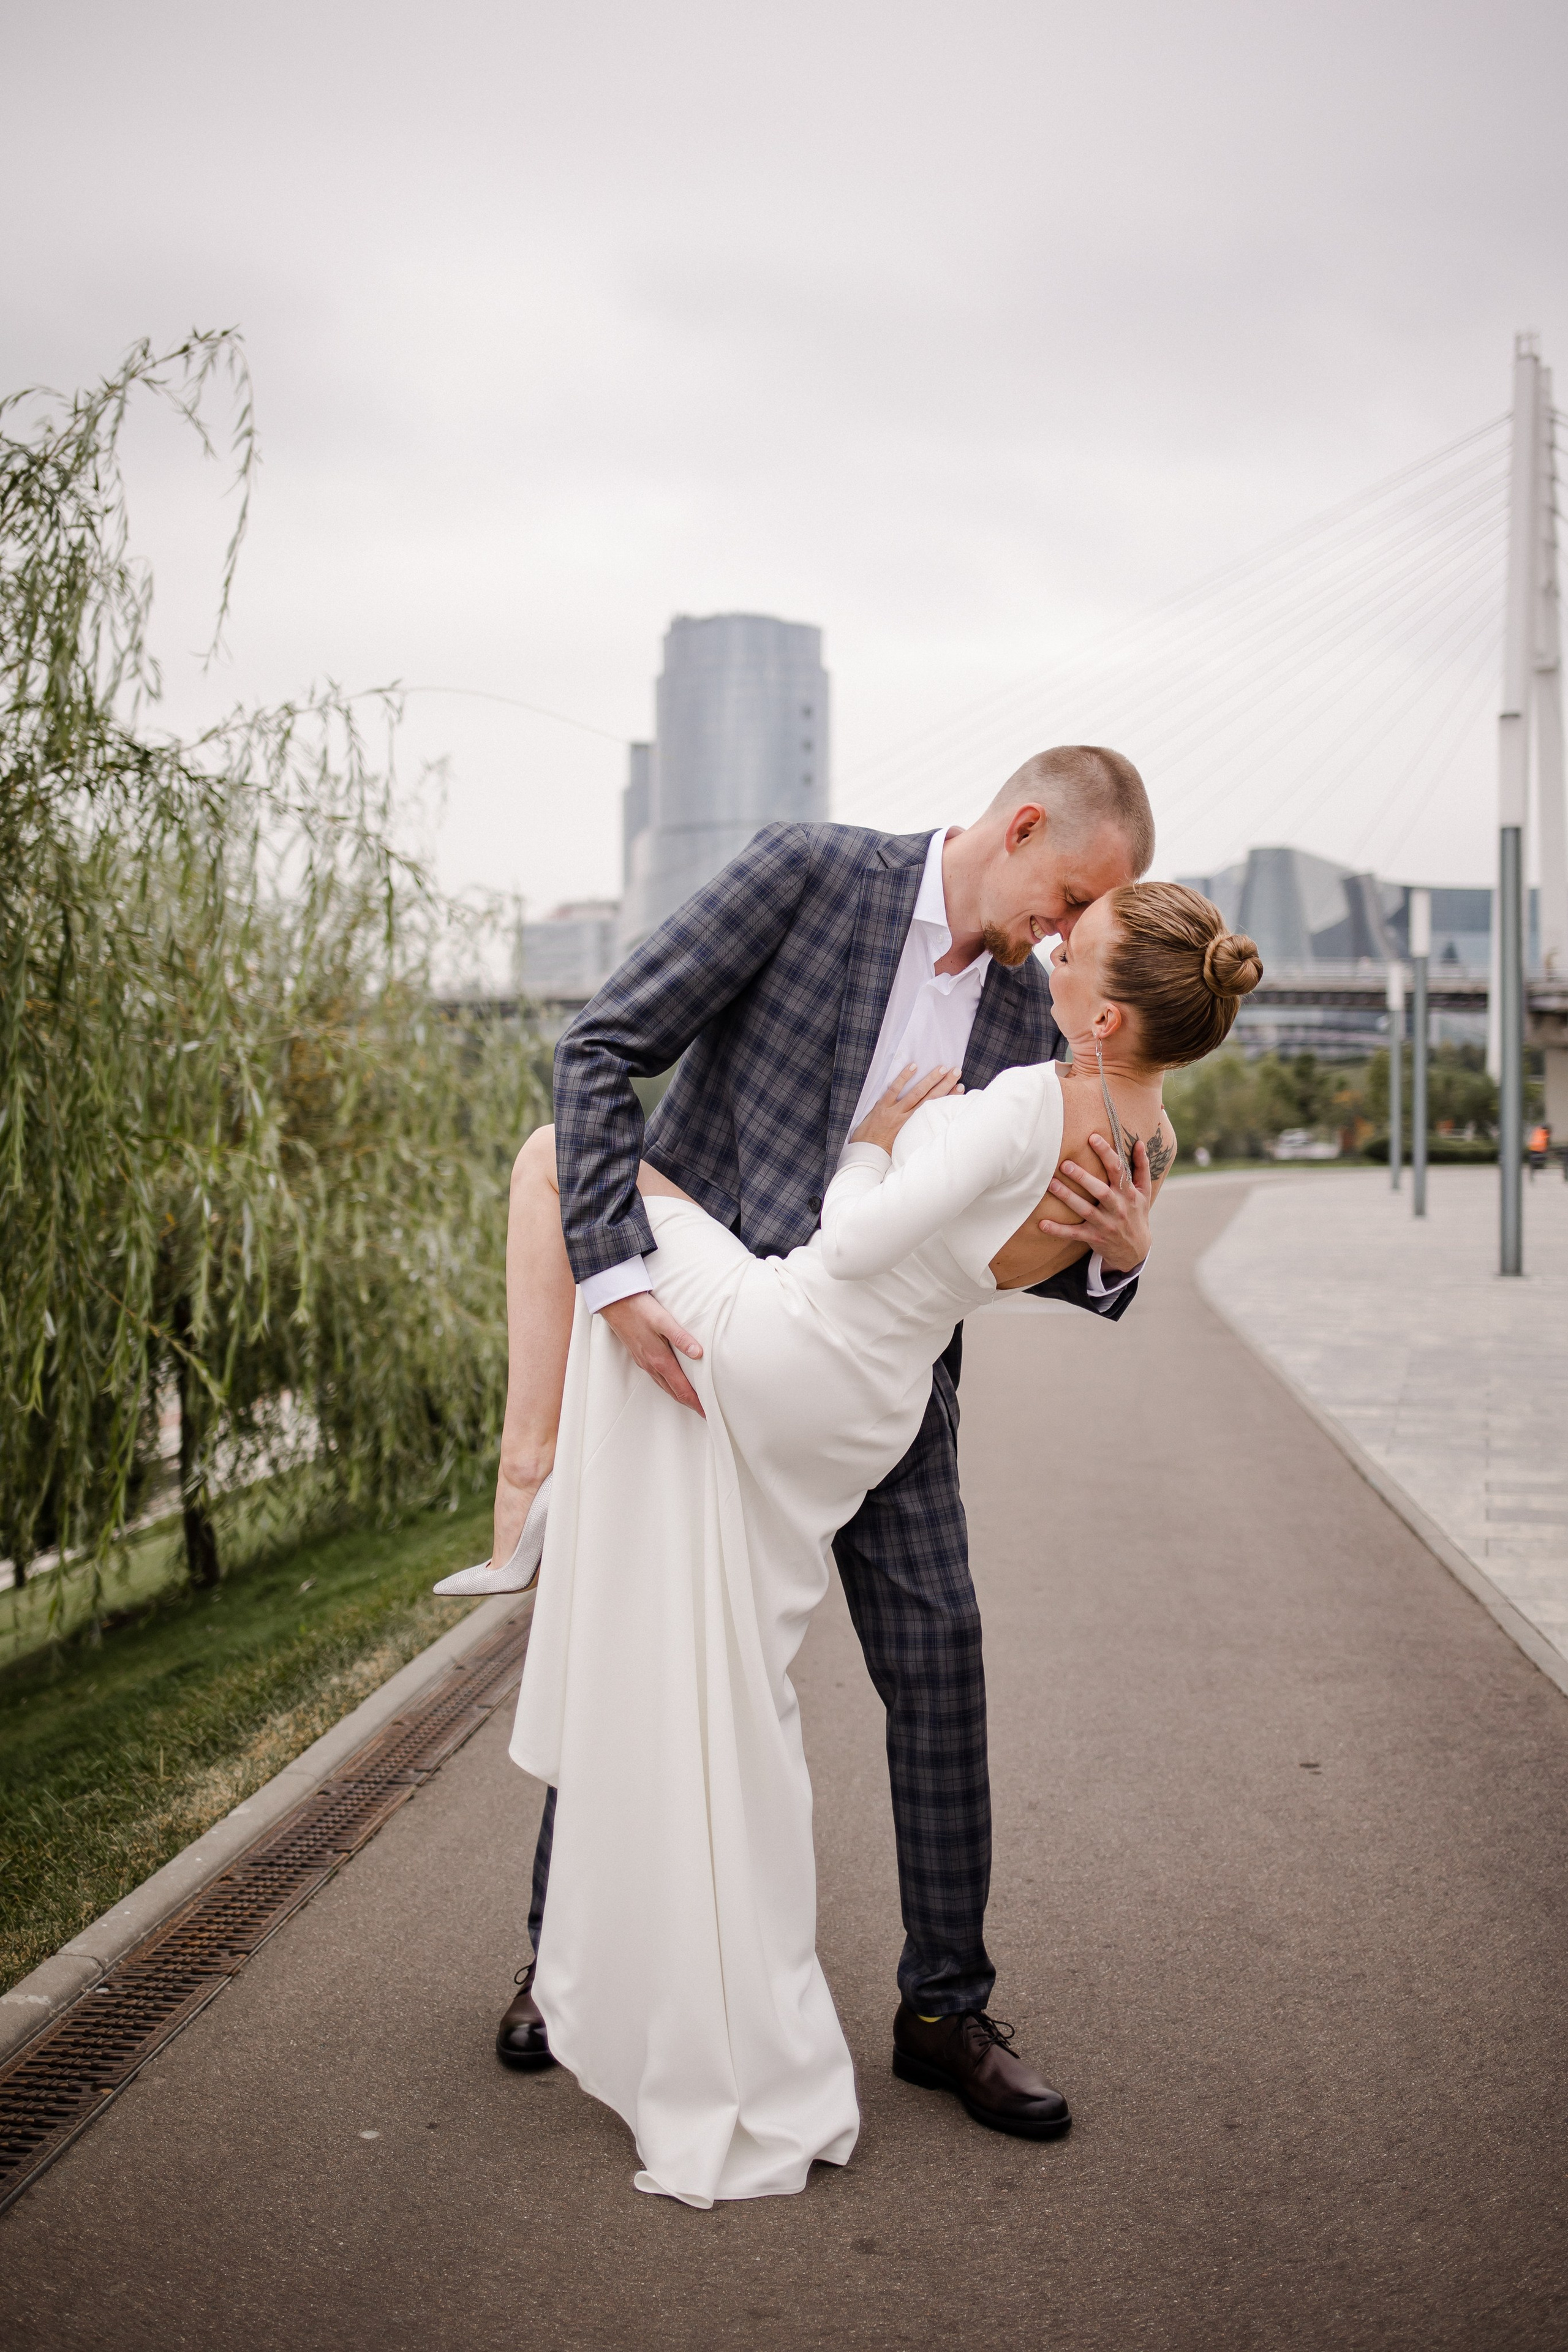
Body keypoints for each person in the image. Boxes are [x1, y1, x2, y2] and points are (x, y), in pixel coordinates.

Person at [496, 877, 1262, 2204]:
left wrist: (881, 1146)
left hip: (821, 1346)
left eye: (1075, 939)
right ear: (1028, 836)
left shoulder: (1044, 1072)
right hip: (819, 1353)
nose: (1049, 945)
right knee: (663, 1621)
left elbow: (932, 1247)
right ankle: (566, 1949)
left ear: (1103, 1007)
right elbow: (622, 1044)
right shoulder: (819, 880)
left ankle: (942, 2012)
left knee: (928, 1666)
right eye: (1066, 907)